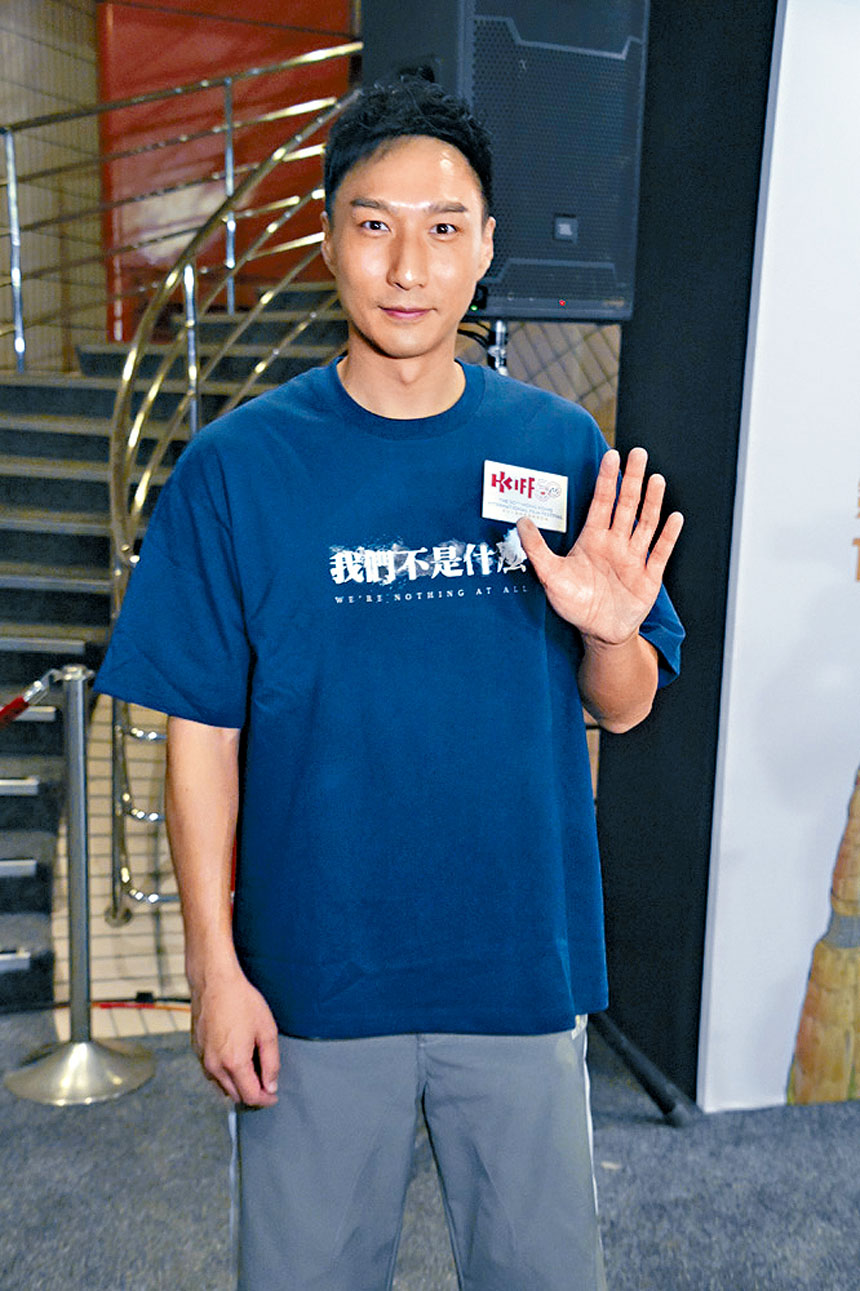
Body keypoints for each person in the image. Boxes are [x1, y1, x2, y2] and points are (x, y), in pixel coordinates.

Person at [96, 78, 684, 1291]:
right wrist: (213, 970)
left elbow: (622, 703)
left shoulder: (557, 448)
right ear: (326, 240)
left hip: (516, 965)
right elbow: (200, 733)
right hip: (315, 978)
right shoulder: (237, 469)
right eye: (373, 224)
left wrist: (612, 630)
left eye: (443, 226)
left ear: (485, 247)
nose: (408, 265)